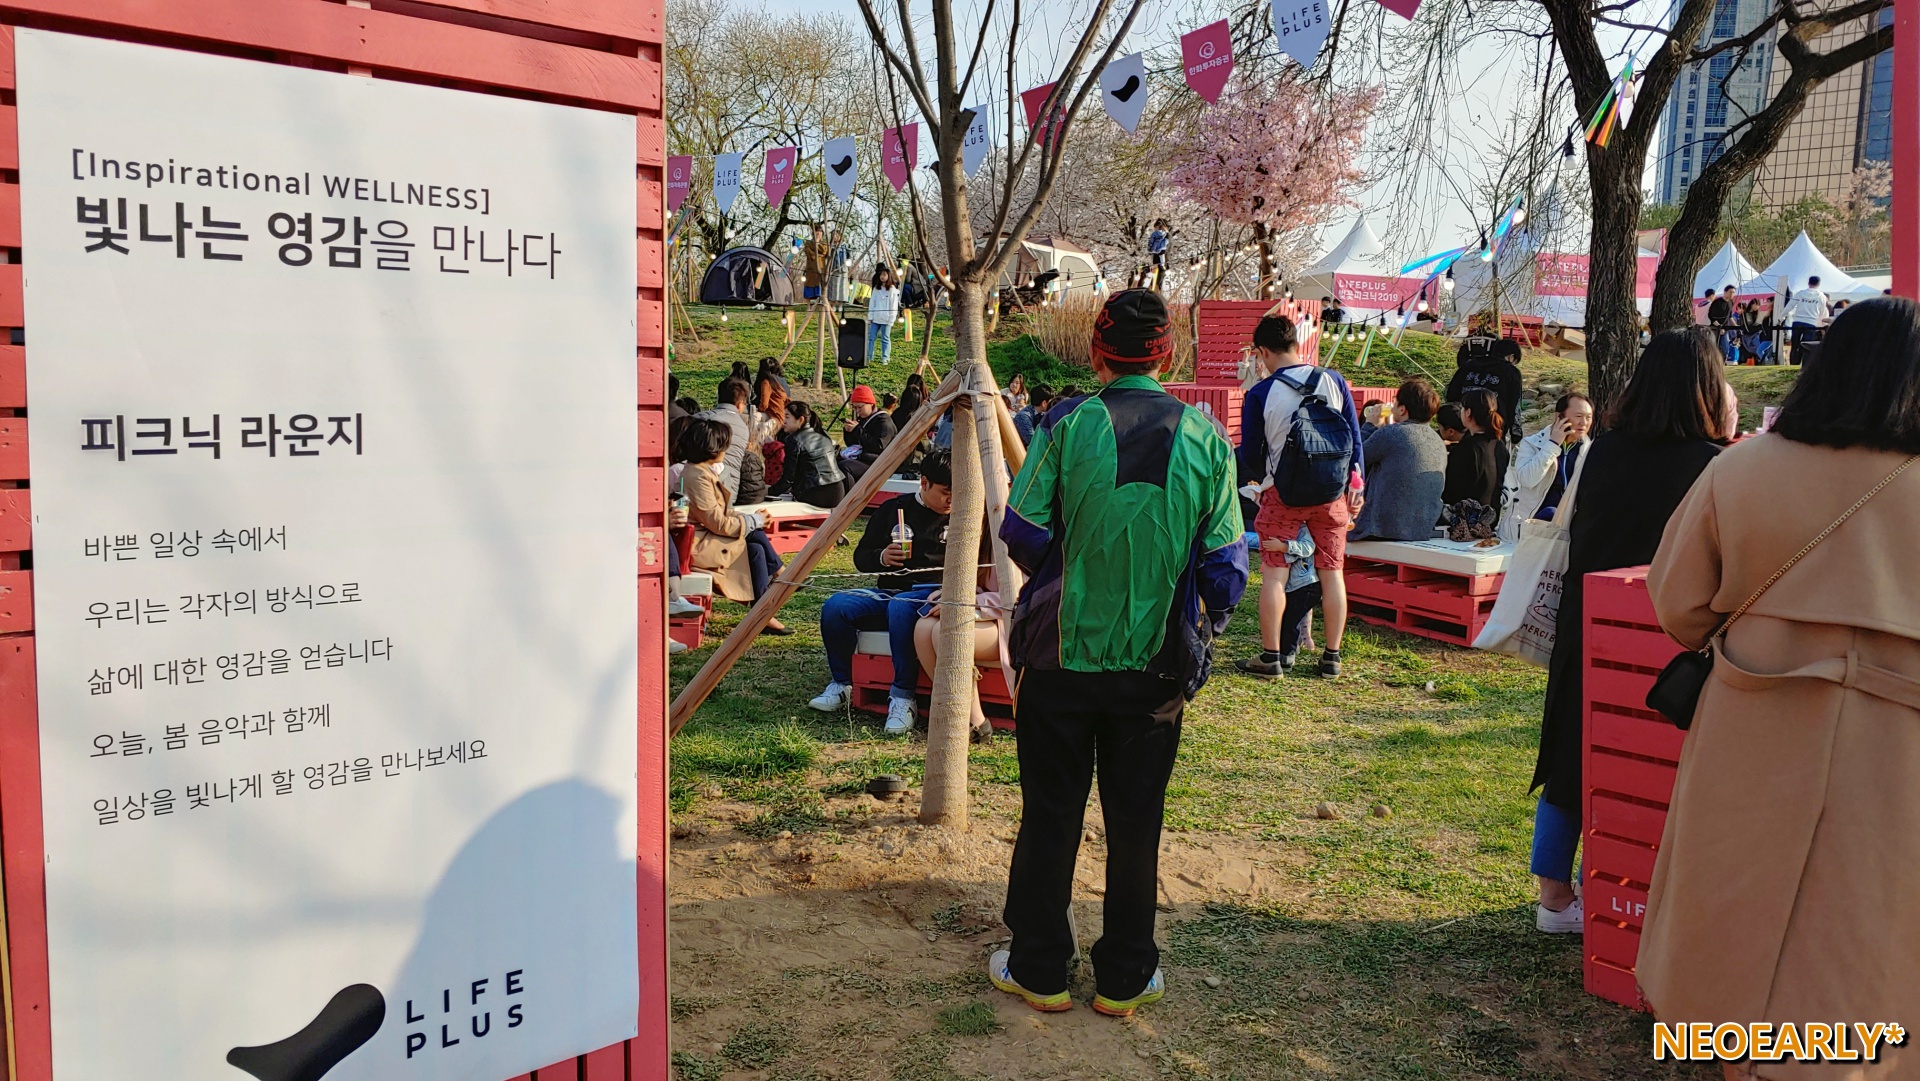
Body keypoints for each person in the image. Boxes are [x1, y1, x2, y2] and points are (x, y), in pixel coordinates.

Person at [1636, 299, 1920, 1078]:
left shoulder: (1743, 468)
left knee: (1732, 921)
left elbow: (1678, 605)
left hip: (1752, 734)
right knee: (1872, 939)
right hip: (1899, 758)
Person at [994, 289, 1247, 1017]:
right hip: (1156, 668)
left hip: (1058, 660)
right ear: (1168, 354)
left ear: (1096, 352)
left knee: (1050, 813)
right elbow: (1228, 568)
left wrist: (1080, 569)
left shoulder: (1064, 424)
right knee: (1137, 821)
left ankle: (1038, 967)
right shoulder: (1206, 437)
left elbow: (1021, 531)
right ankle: (1126, 976)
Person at [1529, 327, 1731, 934]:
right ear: (1708, 387)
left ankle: (1554, 897)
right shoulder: (1714, 465)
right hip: (1671, 639)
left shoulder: (1603, 450)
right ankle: (1625, 889)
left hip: (1587, 628)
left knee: (1571, 753)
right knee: (1649, 765)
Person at [1237, 314, 1363, 679]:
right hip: (1332, 494)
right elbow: (1354, 442)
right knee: (1333, 573)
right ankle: (1332, 657)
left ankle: (1271, 657)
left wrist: (1262, 480)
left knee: (1275, 576)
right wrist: (1356, 488)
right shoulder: (1334, 380)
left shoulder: (1261, 393)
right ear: (1296, 343)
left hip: (1283, 495)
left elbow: (1252, 455)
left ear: (1262, 352)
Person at [807, 450, 954, 734]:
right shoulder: (894, 510)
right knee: (837, 606)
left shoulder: (966, 515)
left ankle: (903, 697)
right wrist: (882, 557)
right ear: (924, 483)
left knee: (901, 606)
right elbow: (861, 557)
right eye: (945, 493)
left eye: (957, 493)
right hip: (890, 591)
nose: (951, 500)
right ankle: (842, 683)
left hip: (933, 594)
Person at [680, 418, 789, 635]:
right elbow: (718, 522)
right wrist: (754, 521)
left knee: (755, 547)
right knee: (754, 534)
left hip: (706, 537)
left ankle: (763, 612)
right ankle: (779, 578)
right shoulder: (697, 477)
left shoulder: (700, 472)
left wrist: (752, 519)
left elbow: (718, 515)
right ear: (713, 448)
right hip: (698, 544)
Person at [1351, 379, 1447, 542]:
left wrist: (1369, 425)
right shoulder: (1437, 440)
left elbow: (1356, 460)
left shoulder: (1392, 433)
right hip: (1422, 528)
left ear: (1402, 409)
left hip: (1382, 529)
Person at [1503, 392, 1593, 540]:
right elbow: (1527, 480)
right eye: (1578, 416)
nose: (1584, 422)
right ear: (1559, 417)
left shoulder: (1588, 450)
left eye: (1588, 417)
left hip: (1566, 531)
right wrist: (1552, 445)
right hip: (1529, 528)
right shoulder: (1532, 444)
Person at [1446, 312, 1524, 443]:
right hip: (1494, 431)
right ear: (1511, 357)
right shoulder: (1511, 372)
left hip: (1464, 427)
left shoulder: (1468, 365)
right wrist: (1516, 434)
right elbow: (1515, 406)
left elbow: (1450, 394)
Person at [1442, 388, 1510, 520]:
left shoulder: (1466, 449)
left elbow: (1450, 491)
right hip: (1491, 518)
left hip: (1466, 521)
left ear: (1468, 413)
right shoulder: (1499, 445)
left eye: (1462, 408)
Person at [771, 400, 847, 508]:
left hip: (817, 493)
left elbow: (788, 478)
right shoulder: (823, 434)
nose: (783, 421)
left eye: (787, 417)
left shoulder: (794, 440)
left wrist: (769, 492)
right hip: (838, 490)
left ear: (800, 420)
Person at [695, 376, 754, 504]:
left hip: (701, 487)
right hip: (729, 491)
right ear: (740, 404)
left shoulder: (702, 419)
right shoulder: (744, 428)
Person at [840, 384, 896, 483]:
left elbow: (879, 446)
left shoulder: (883, 421)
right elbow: (853, 444)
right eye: (855, 408)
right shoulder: (863, 419)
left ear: (871, 404)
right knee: (834, 463)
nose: (857, 411)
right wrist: (849, 432)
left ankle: (852, 493)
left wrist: (858, 431)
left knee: (844, 467)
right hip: (864, 458)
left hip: (878, 462)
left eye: (860, 407)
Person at [1782, 275, 1830, 361]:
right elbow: (1823, 312)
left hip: (1797, 321)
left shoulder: (1800, 294)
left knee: (1795, 344)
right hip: (1811, 322)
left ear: (1808, 283)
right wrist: (1821, 324)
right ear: (1819, 284)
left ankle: (1793, 362)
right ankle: (1804, 363)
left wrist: (1782, 315)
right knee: (1807, 345)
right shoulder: (1821, 296)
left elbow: (1790, 306)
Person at [867, 266, 900, 365]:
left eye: (884, 275)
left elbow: (894, 305)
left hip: (886, 319)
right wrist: (870, 316)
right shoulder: (876, 289)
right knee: (871, 337)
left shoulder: (892, 290)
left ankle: (885, 357)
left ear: (888, 276)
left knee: (885, 338)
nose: (882, 277)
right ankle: (868, 356)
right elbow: (872, 303)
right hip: (875, 318)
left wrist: (891, 319)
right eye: (881, 275)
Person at [1706, 286, 1735, 363]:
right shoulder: (1717, 302)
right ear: (1725, 292)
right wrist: (1719, 326)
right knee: (1713, 347)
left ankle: (1722, 364)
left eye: (1733, 292)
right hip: (1715, 329)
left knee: (1725, 348)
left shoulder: (1731, 302)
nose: (1732, 294)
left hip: (1725, 329)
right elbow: (1711, 316)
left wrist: (1736, 326)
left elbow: (1730, 316)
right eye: (1730, 292)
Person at [801, 223, 830, 303]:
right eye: (817, 233)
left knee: (820, 289)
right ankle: (808, 306)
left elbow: (824, 251)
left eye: (820, 233)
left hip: (820, 269)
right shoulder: (808, 242)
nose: (818, 234)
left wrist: (817, 244)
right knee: (809, 287)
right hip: (811, 269)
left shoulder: (824, 244)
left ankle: (818, 304)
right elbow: (808, 252)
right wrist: (818, 255)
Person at [827, 227, 850, 304]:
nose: (835, 237)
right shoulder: (830, 246)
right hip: (833, 269)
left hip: (843, 269)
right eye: (833, 235)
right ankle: (833, 304)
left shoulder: (845, 245)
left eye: (837, 235)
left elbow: (849, 256)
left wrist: (847, 264)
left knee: (842, 288)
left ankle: (840, 305)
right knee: (833, 288)